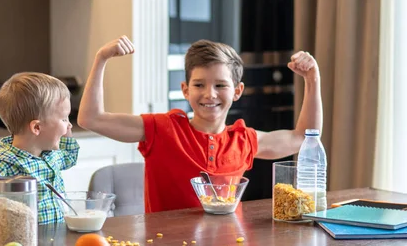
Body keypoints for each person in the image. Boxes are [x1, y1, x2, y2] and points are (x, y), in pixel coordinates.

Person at [78, 36, 322, 213]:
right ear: (185, 90)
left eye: (220, 85)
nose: (210, 94)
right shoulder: (161, 129)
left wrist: (312, 79)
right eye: (199, 85)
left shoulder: (243, 139)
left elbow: (305, 137)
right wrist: (102, 59)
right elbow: (91, 118)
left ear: (237, 91)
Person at [0, 72, 79, 225]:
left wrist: (65, 125)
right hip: (19, 245)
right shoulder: (7, 162)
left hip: (55, 241)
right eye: (64, 118)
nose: (69, 125)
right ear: (37, 127)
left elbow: (70, 155)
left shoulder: (50, 154)